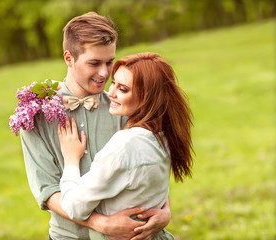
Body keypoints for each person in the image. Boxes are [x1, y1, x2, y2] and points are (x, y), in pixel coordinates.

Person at [20, 12, 172, 240]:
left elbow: (148, 166)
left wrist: (165, 212)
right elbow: (47, 190)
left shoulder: (122, 104)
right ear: (69, 58)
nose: (104, 73)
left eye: (109, 62)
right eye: (94, 63)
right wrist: (102, 224)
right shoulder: (35, 114)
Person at [57, 52, 194, 240]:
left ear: (147, 98)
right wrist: (165, 212)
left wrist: (71, 160)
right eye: (113, 83)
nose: (110, 92)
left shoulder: (124, 146)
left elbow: (74, 207)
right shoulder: (164, 137)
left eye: (123, 89)